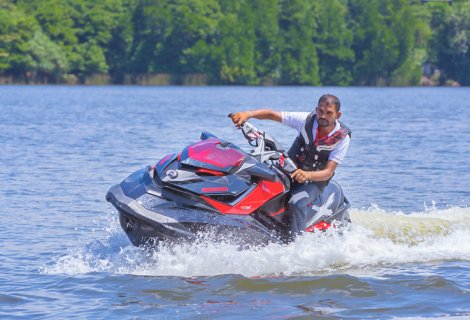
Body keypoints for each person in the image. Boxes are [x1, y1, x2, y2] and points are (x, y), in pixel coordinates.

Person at [230, 94, 351, 240]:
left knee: (296, 203)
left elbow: (328, 172)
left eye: (329, 113)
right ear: (316, 109)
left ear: (338, 115)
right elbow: (272, 114)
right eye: (320, 111)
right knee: (253, 181)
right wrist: (247, 114)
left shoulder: (342, 137)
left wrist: (307, 175)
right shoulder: (306, 120)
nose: (323, 116)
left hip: (314, 182)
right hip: (287, 171)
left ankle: (296, 244)